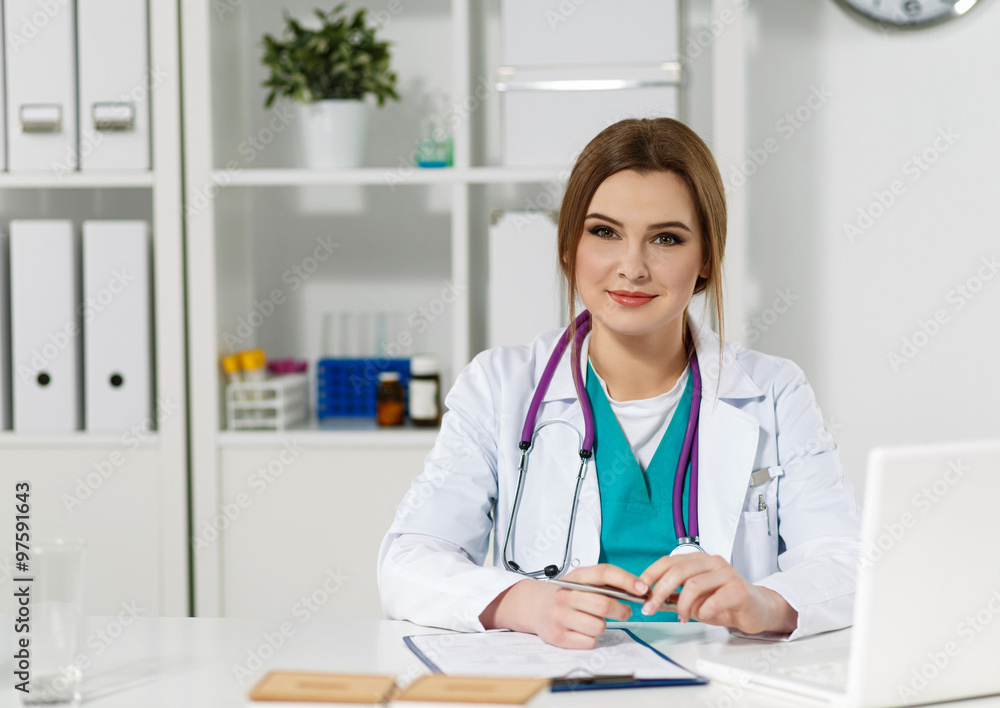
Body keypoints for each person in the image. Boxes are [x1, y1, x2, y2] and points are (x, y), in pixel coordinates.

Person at [378, 117, 861, 649]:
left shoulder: (775, 392)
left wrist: (762, 602)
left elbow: (845, 563)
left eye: (666, 239)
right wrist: (529, 602)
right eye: (604, 232)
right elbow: (407, 563)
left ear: (705, 259)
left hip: (722, 688)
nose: (631, 267)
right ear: (569, 246)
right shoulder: (499, 386)